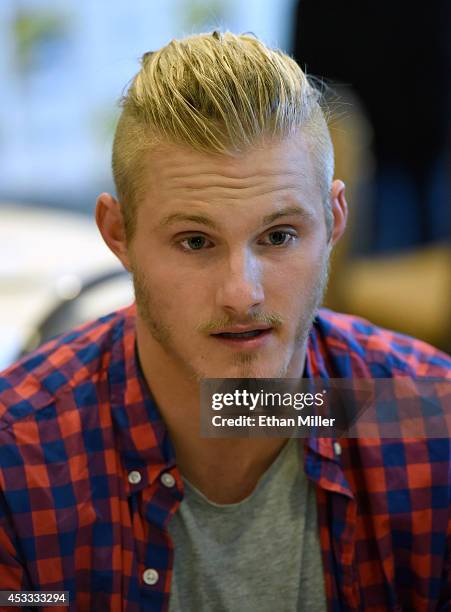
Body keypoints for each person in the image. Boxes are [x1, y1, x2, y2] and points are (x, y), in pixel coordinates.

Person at [0, 31, 449, 611]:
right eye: (195, 241)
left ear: (335, 220)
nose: (243, 293)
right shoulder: (19, 459)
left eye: (280, 236)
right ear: (119, 234)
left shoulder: (421, 418)